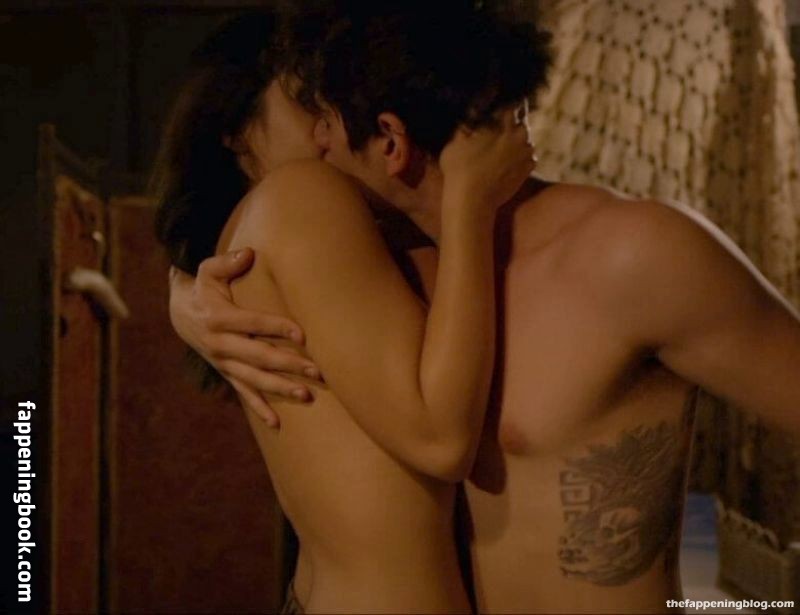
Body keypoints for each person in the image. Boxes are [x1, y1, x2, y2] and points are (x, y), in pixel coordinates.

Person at [170, 1, 800, 613]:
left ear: (389, 140)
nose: (316, 144)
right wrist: (186, 300)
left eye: (325, 120)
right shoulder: (389, 269)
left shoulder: (631, 256)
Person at [153, 4, 548, 613]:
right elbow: (440, 439)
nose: (328, 128)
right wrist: (470, 199)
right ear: (235, 127)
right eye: (308, 101)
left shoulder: (295, 227)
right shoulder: (300, 195)